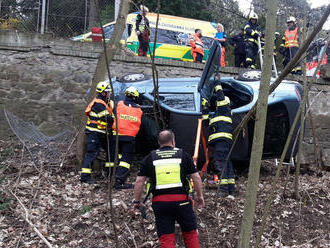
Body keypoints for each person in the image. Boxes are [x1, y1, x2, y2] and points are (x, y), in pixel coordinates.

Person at [133, 130, 205, 248]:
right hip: (182, 202)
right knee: (190, 234)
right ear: (173, 141)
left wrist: (137, 201)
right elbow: (196, 177)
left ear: (158, 142)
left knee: (166, 238)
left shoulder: (150, 157)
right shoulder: (183, 155)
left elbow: (139, 181)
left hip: (160, 204)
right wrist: (199, 196)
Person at [201, 81, 235, 197]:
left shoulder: (225, 109)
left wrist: (217, 83)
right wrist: (205, 108)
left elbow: (220, 97)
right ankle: (231, 188)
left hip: (222, 140)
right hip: (220, 142)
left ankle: (223, 190)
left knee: (220, 163)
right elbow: (206, 123)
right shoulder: (216, 114)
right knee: (227, 163)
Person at [81, 81, 114, 184]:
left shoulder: (104, 103)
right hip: (94, 132)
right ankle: (85, 177)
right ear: (103, 93)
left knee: (110, 150)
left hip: (100, 132)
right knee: (91, 153)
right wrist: (113, 118)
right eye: (108, 92)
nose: (109, 94)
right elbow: (107, 118)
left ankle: (108, 172)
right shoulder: (99, 103)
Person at [111, 86, 143, 189]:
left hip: (116, 136)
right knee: (126, 160)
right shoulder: (139, 110)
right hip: (129, 137)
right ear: (135, 97)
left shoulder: (119, 104)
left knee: (120, 156)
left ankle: (118, 173)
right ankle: (119, 181)